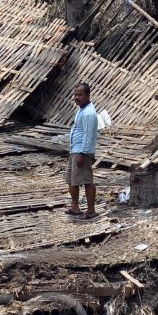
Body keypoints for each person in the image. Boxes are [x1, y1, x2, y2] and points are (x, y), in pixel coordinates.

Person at [66, 82, 99, 219]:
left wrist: (82, 154)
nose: (76, 97)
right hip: (76, 150)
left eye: (80, 95)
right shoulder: (82, 110)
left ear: (87, 95)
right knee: (71, 180)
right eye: (75, 94)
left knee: (87, 181)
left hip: (81, 152)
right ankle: (75, 207)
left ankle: (91, 210)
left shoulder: (89, 114)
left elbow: (88, 135)